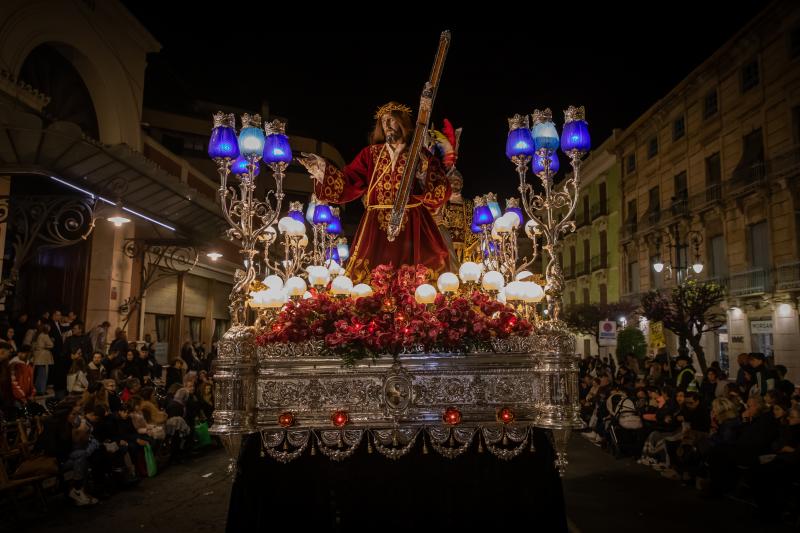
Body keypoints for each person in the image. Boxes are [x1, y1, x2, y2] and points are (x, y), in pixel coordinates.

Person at [298, 102, 452, 282]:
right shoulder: (370, 154)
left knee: (419, 276)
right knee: (369, 278)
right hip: (376, 225)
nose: (387, 125)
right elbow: (349, 181)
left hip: (413, 222)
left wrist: (424, 174)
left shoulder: (420, 154)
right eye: (383, 121)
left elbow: (440, 189)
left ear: (403, 123)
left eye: (392, 120)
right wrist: (322, 169)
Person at [32, 323, 54, 395]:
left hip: (38, 356)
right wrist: (52, 341)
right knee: (43, 374)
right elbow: (51, 345)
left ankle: (38, 389)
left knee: (39, 374)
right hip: (43, 357)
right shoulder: (44, 335)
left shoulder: (37, 335)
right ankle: (41, 390)